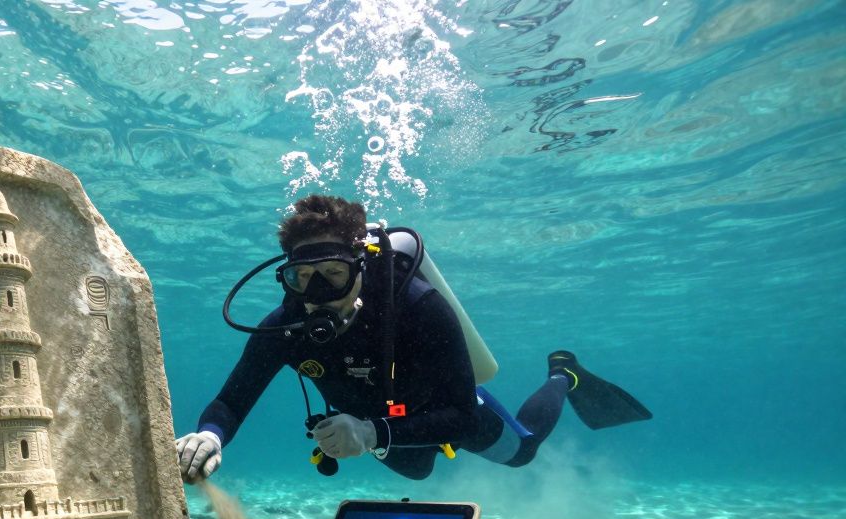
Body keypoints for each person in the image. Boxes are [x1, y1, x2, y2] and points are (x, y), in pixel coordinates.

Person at [175, 194, 651, 483]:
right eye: (303, 279)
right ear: (287, 279)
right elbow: (231, 401)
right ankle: (391, 439)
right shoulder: (284, 327)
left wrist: (371, 432)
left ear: (359, 271)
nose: (317, 295)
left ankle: (562, 373)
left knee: (522, 454)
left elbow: (461, 415)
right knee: (416, 469)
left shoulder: (419, 307)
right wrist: (210, 435)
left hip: (441, 408)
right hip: (380, 427)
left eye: (334, 275)